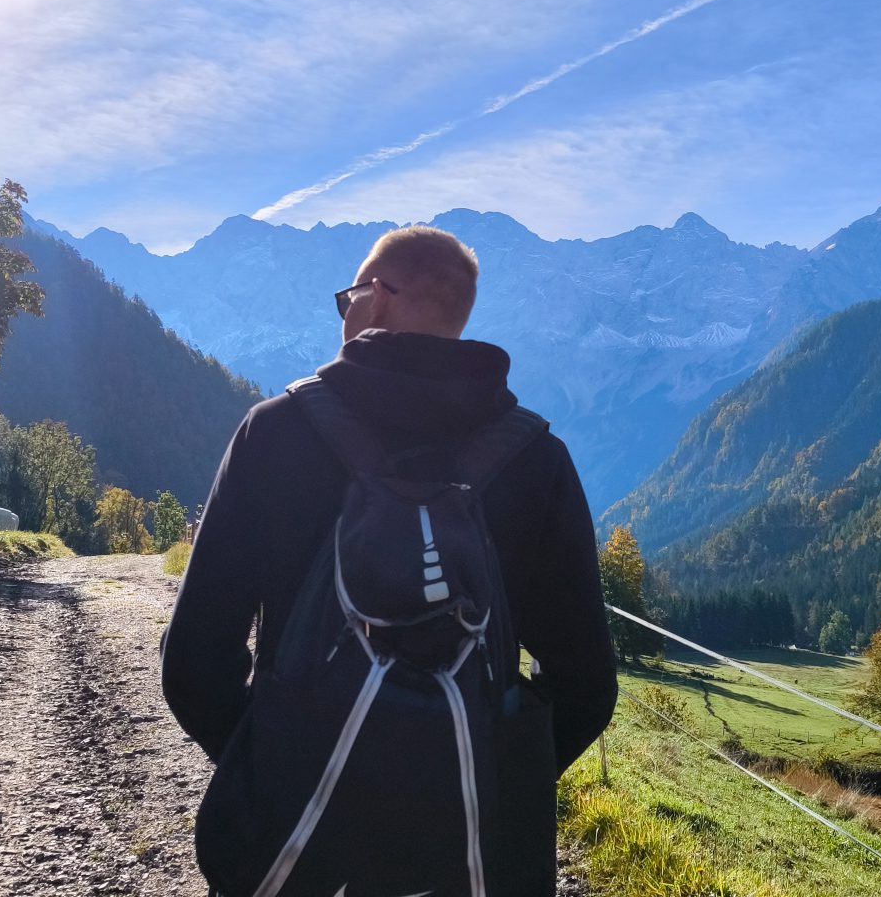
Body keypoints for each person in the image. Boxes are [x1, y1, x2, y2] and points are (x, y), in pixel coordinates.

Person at [162, 225, 618, 896]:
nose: (344, 311)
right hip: (470, 861)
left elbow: (194, 661)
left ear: (376, 296)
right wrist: (486, 780)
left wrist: (274, 768)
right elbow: (587, 685)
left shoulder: (275, 433)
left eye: (347, 297)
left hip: (293, 851)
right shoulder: (538, 460)